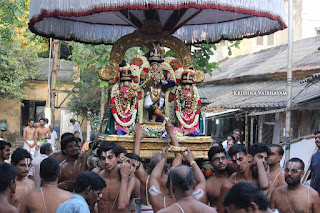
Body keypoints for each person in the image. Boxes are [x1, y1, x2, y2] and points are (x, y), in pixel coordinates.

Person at [133, 121, 182, 213]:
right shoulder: (169, 177)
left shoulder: (145, 178)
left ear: (149, 165)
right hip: (165, 209)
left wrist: (138, 137)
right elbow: (179, 156)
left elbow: (136, 160)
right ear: (167, 165)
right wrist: (171, 132)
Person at [149, 147, 208, 212]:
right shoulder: (198, 197)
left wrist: (163, 159)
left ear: (171, 187)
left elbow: (153, 178)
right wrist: (191, 160)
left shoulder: (159, 203)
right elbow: (202, 181)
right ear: (194, 185)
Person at [217, 144, 269, 213]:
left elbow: (265, 185)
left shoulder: (256, 176)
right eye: (234, 161)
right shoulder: (228, 185)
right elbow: (220, 211)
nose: (238, 163)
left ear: (248, 157)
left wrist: (259, 162)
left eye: (240, 159)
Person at [97, 142, 136, 213]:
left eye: (110, 157)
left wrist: (124, 178)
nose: (106, 162)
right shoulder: (98, 175)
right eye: (103, 158)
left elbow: (122, 205)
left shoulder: (129, 180)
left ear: (118, 158)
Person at [310, 130, 320, 195]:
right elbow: (312, 176)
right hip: (317, 193)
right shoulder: (314, 157)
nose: (316, 140)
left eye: (319, 138)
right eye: (315, 138)